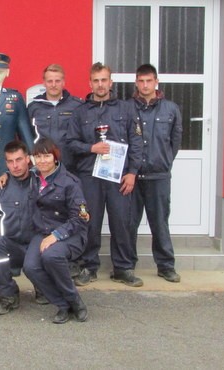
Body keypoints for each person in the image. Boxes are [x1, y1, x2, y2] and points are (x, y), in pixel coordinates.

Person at [69, 62, 144, 287]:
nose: (100, 85)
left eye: (104, 80)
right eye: (96, 81)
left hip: (119, 177)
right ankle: (88, 266)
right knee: (89, 222)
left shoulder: (126, 109)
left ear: (111, 83)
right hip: (89, 175)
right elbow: (70, 143)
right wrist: (91, 148)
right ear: (90, 83)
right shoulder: (80, 112)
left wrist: (132, 173)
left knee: (122, 221)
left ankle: (123, 268)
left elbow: (137, 142)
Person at [23, 138, 89, 324]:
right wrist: (3, 176)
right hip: (43, 232)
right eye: (38, 156)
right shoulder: (33, 177)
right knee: (31, 267)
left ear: (55, 157)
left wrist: (56, 235)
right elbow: (14, 174)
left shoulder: (70, 182)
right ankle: (62, 304)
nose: (42, 161)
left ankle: (75, 301)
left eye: (46, 156)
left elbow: (80, 217)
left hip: (70, 234)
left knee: (51, 256)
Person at [129, 64, 183, 283]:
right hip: (133, 177)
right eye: (141, 81)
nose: (144, 85)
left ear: (156, 81)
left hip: (158, 177)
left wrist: (165, 162)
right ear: (136, 83)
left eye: (148, 81)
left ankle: (166, 266)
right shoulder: (128, 108)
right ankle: (127, 265)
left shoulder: (170, 109)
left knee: (159, 222)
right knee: (128, 224)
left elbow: (175, 141)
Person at [0, 141, 35, 315]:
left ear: (27, 159)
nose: (15, 166)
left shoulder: (41, 182)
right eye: (10, 161)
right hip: (12, 248)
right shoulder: (0, 188)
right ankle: (8, 294)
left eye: (19, 160)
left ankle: (43, 287)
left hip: (37, 247)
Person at [27, 64, 83, 173]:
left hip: (71, 166)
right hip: (43, 167)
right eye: (50, 81)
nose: (53, 85)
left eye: (57, 81)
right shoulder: (34, 107)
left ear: (63, 82)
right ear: (44, 83)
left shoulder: (77, 105)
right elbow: (26, 136)